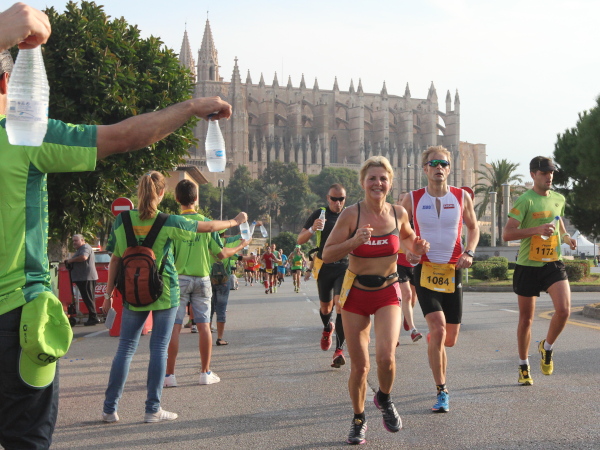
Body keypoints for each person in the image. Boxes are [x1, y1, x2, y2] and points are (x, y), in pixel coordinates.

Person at [0, 5, 233, 447]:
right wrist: (190, 107)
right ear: (8, 84)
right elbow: (127, 135)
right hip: (14, 317)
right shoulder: (23, 137)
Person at [102, 172, 247, 423]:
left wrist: (108, 294)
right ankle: (152, 409)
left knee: (125, 349)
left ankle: (109, 409)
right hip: (164, 291)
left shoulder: (122, 220)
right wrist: (235, 221)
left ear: (139, 192)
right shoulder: (167, 221)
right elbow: (208, 227)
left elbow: (115, 259)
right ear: (162, 193)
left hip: (133, 291)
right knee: (158, 348)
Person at [323, 157, 429, 445]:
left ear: (390, 183)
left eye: (383, 178)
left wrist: (418, 248)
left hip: (387, 291)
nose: (377, 183)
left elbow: (410, 241)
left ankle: (384, 397)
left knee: (386, 357)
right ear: (363, 182)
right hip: (356, 293)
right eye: (372, 178)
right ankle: (358, 419)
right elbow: (328, 254)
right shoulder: (351, 215)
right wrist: (353, 242)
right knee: (360, 367)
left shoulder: (398, 213)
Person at [402, 146, 479, 414]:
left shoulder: (461, 196)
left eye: (443, 164)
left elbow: (473, 227)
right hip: (424, 271)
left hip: (452, 270)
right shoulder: (412, 198)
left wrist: (469, 252)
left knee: (450, 339)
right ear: (425, 168)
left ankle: (435, 340)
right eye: (433, 163)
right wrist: (410, 251)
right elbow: (399, 232)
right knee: (438, 328)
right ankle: (442, 390)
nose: (439, 168)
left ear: (449, 168)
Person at [164, 180, 249, 388]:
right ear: (196, 199)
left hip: (179, 279)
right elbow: (221, 254)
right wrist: (240, 247)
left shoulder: (172, 222)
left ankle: (169, 375)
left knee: (174, 327)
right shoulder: (207, 223)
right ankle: (205, 372)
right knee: (204, 326)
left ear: (176, 198)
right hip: (202, 278)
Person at [502, 156, 577, 386]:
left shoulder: (558, 198)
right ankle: (523, 365)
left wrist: (566, 237)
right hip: (528, 265)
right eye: (544, 172)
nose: (549, 176)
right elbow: (507, 234)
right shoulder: (525, 200)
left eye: (551, 172)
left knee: (564, 310)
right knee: (526, 319)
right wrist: (536, 230)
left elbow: (558, 220)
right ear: (533, 174)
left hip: (553, 263)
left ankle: (547, 347)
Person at [298, 183, 349, 369]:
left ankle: (339, 351)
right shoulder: (319, 214)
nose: (337, 202)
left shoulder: (349, 215)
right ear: (328, 198)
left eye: (341, 199)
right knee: (326, 308)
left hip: (344, 266)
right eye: (334, 199)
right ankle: (328, 328)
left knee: (340, 305)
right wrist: (312, 229)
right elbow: (300, 239)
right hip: (324, 266)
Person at [396, 193, 423, 343]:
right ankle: (413, 329)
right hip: (399, 262)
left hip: (415, 263)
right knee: (405, 295)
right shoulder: (395, 219)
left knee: (412, 298)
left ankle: (408, 316)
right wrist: (406, 251)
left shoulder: (418, 220)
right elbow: (398, 239)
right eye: (401, 200)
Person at [65, 234, 100, 326]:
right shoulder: (80, 249)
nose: (74, 242)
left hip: (86, 277)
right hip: (82, 278)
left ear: (82, 240)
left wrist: (70, 261)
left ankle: (94, 317)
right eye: (73, 241)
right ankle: (93, 317)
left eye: (76, 240)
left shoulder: (85, 247)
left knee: (88, 298)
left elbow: (84, 257)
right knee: (87, 298)